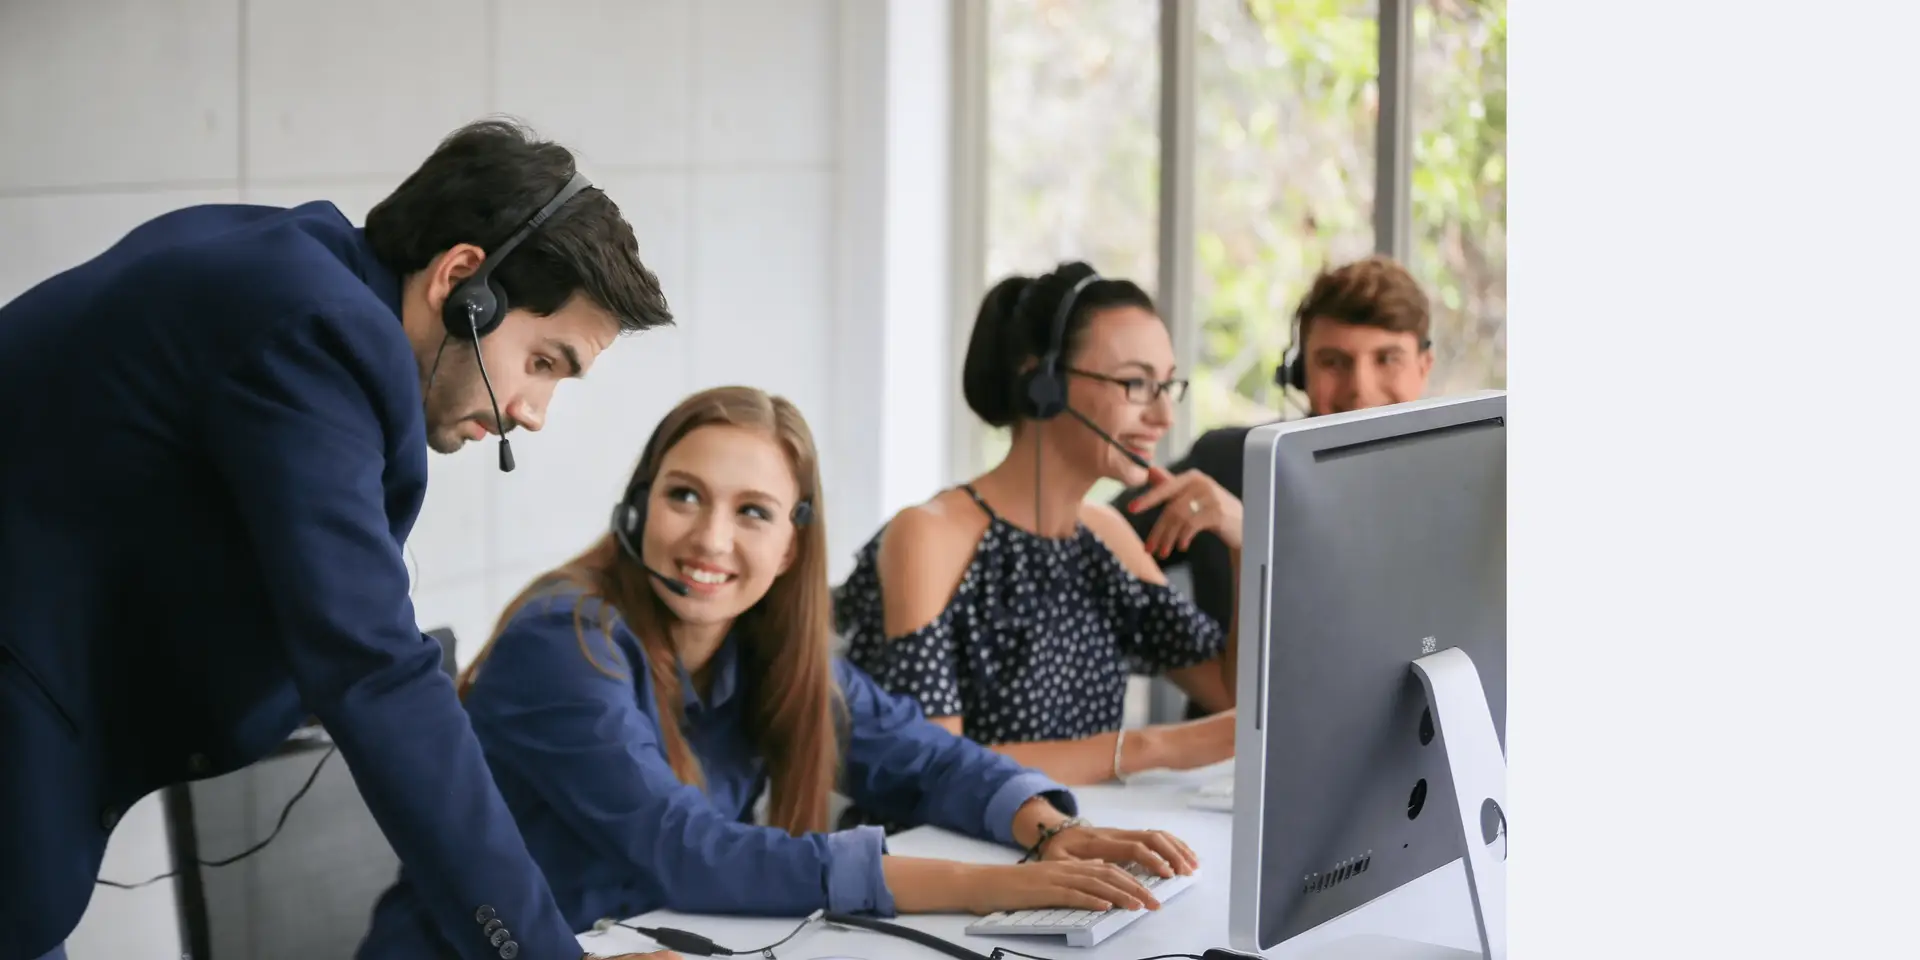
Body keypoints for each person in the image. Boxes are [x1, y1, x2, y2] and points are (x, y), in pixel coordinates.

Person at [0, 119, 679, 960]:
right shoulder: (311, 327)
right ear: (464, 282)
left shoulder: (284, 263)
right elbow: (372, 667)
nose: (534, 413)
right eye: (544, 362)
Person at [357, 386, 1200, 955]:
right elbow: (685, 850)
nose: (710, 540)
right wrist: (988, 889)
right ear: (639, 503)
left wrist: (1047, 827)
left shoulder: (759, 646)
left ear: (792, 542)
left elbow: (920, 753)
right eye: (683, 495)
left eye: (752, 512)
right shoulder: (563, 640)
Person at [836, 262, 1244, 791]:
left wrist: (1244, 542)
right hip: (949, 855)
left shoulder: (1107, 535)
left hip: (1075, 845)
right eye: (1136, 383)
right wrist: (1150, 747)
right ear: (1043, 383)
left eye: (1168, 385)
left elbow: (1231, 696)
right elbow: (936, 769)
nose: (1165, 415)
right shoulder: (928, 535)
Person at [1115, 254, 1436, 717]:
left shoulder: (1469, 490)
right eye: (1333, 362)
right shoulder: (1228, 464)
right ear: (1299, 373)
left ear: (1423, 367)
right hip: (1221, 767)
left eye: (1387, 359)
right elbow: (1084, 544)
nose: (1360, 390)